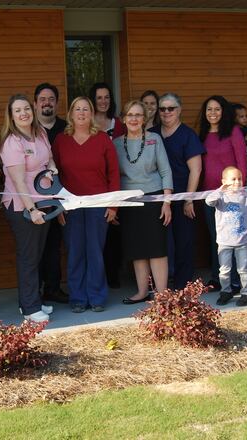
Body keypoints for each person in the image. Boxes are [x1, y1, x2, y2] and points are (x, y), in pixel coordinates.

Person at [53, 97, 120, 313]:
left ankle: (97, 297)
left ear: (91, 114)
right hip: (70, 205)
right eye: (77, 109)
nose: (81, 113)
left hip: (98, 203)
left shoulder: (102, 139)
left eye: (85, 109)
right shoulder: (61, 141)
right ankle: (78, 298)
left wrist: (113, 205)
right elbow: (53, 177)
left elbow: (114, 173)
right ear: (71, 113)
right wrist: (58, 207)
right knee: (75, 251)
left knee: (95, 250)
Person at [0, 94, 58, 323]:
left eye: (26, 109)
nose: (23, 113)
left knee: (37, 255)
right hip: (23, 206)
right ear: (11, 116)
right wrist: (32, 210)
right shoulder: (12, 142)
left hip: (46, 201)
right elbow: (19, 181)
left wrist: (53, 171)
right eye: (18, 111)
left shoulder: (40, 133)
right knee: (28, 256)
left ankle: (33, 300)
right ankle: (30, 307)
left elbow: (50, 159)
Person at [114, 100, 173, 304]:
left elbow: (165, 171)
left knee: (156, 248)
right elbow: (112, 175)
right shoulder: (115, 143)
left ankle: (162, 294)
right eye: (130, 115)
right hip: (129, 203)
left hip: (154, 199)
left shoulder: (154, 139)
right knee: (137, 249)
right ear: (123, 119)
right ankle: (142, 292)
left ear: (144, 118)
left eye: (138, 115)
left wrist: (167, 202)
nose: (134, 119)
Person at [150, 93, 202, 290]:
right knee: (160, 243)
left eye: (170, 108)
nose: (166, 112)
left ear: (179, 110)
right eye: (162, 109)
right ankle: (162, 285)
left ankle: (183, 287)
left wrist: (189, 199)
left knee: (184, 242)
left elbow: (196, 170)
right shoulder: (152, 134)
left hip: (182, 197)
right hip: (159, 198)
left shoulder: (188, 135)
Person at [198, 95, 246, 292]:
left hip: (231, 196)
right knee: (215, 238)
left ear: (223, 111)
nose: (213, 113)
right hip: (210, 196)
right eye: (209, 109)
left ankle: (234, 280)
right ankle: (217, 278)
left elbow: (241, 160)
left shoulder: (233, 132)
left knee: (232, 238)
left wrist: (239, 189)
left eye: (217, 109)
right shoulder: (201, 134)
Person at [206, 166, 247, 307]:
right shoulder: (220, 196)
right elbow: (209, 201)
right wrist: (220, 189)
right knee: (224, 270)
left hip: (242, 240)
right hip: (224, 241)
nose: (237, 182)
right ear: (224, 181)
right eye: (233, 179)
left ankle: (246, 293)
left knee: (243, 269)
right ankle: (226, 292)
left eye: (239, 179)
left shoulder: (245, 195)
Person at [34, 83, 69, 304]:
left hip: (61, 196)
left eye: (51, 99)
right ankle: (34, 292)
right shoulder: (27, 127)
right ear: (36, 103)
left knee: (55, 246)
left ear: (56, 103)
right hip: (34, 198)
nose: (47, 102)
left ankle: (53, 289)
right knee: (35, 247)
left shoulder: (66, 128)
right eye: (42, 99)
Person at [90, 82, 126, 288]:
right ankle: (99, 277)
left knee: (115, 233)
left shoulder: (119, 123)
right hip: (95, 185)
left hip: (116, 181)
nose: (103, 101)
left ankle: (113, 274)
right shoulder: (88, 123)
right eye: (99, 98)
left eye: (106, 97)